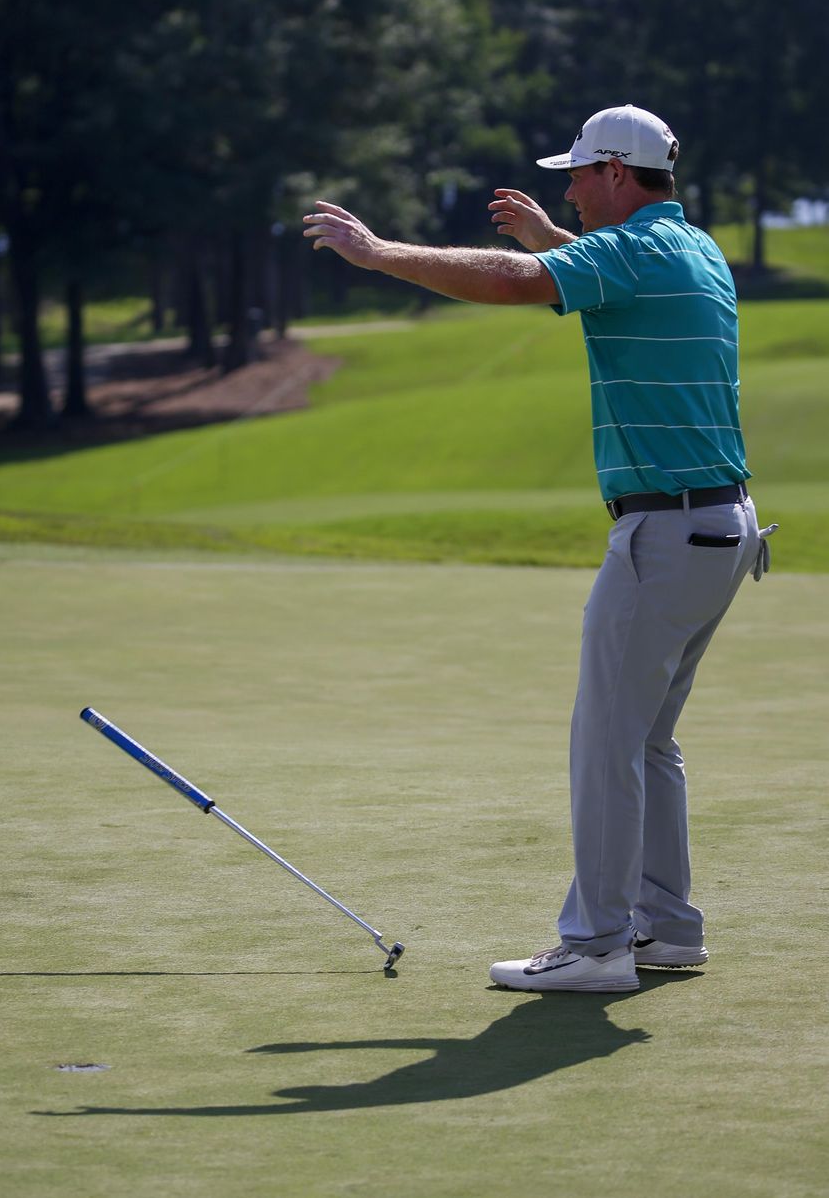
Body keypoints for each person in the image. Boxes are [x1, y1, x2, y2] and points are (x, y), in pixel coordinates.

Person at [303, 104, 776, 994]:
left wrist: (381, 255)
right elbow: (598, 270)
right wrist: (557, 235)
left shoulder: (630, 253)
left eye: (579, 175)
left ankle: (597, 944)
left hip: (665, 532)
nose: (568, 187)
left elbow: (515, 281)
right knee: (648, 742)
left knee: (607, 742)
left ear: (616, 175)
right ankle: (666, 930)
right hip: (724, 529)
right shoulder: (694, 248)